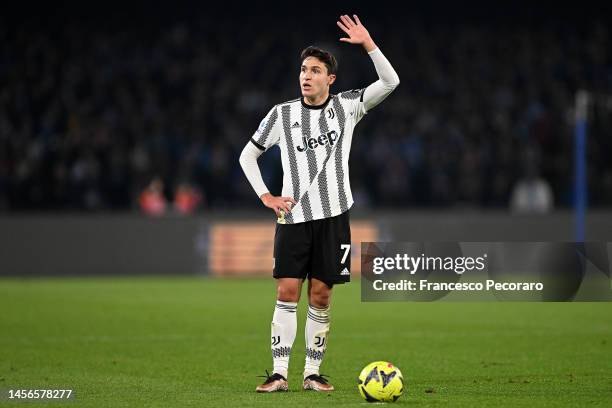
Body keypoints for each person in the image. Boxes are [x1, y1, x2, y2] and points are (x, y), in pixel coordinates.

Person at [239, 14, 399, 393]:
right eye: (303, 70)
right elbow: (248, 155)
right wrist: (266, 195)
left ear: (331, 79)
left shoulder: (347, 107)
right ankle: (279, 373)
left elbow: (391, 81)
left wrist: (369, 44)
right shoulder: (281, 114)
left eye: (315, 70)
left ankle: (312, 373)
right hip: (293, 217)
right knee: (286, 291)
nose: (306, 76)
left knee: (321, 294)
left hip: (334, 216)